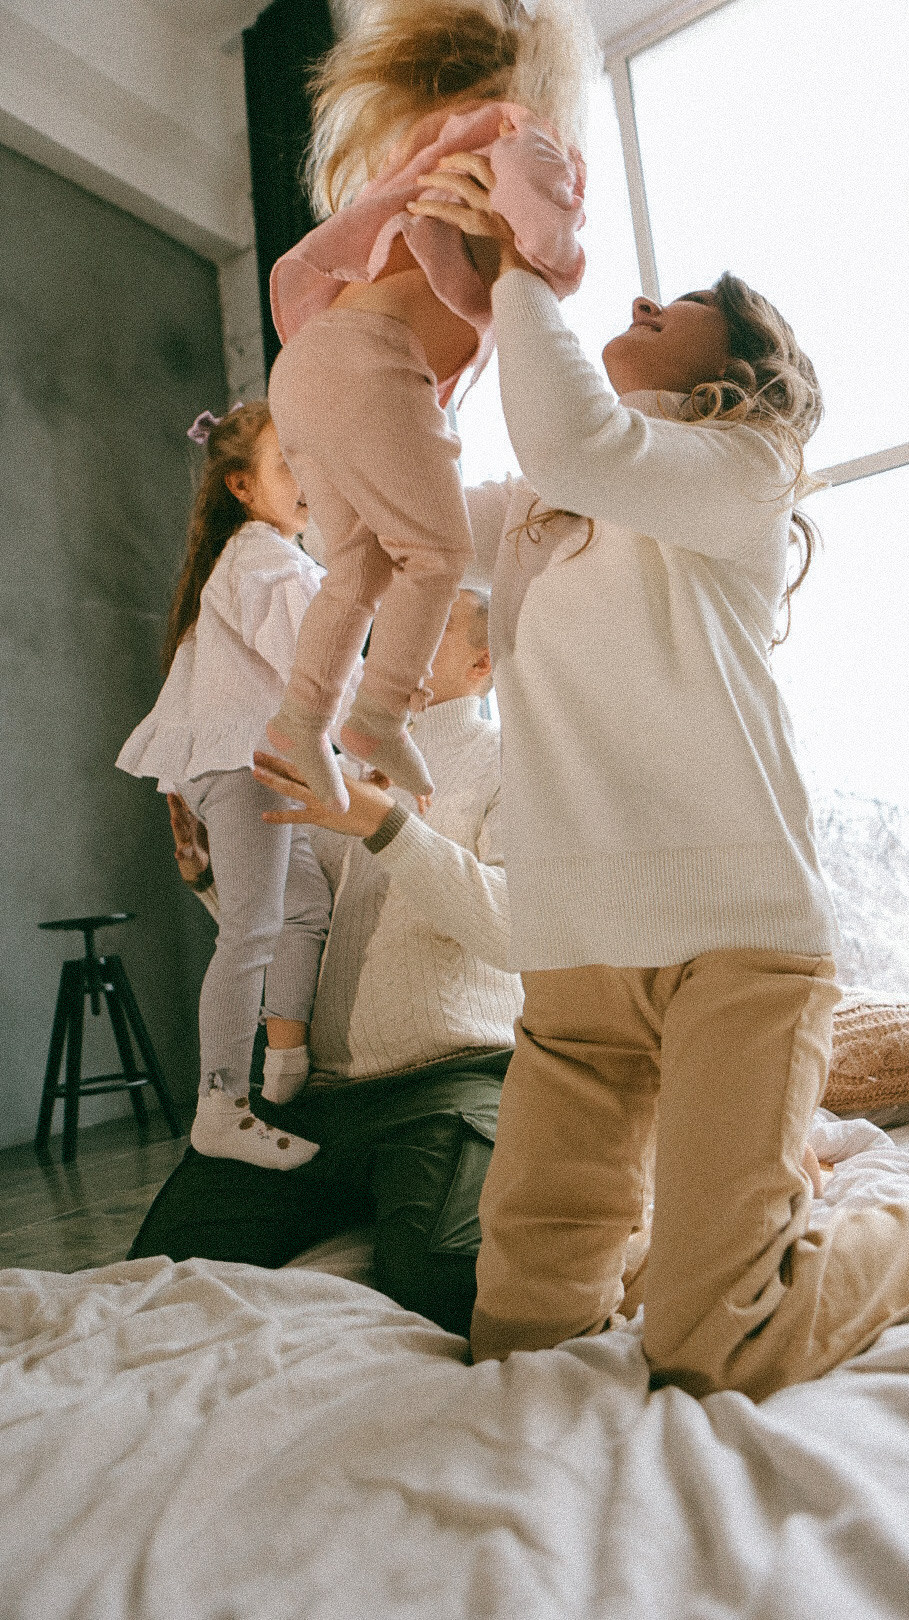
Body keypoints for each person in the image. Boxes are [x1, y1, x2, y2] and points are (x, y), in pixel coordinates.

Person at [407, 157, 909, 1399]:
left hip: (739, 942)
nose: (648, 299)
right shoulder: (544, 505)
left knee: (721, 1338)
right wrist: (441, 325)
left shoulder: (742, 465)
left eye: (689, 300)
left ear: (743, 363)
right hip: (578, 952)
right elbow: (412, 495)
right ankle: (721, 1211)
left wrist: (519, 282)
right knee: (521, 1338)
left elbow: (577, 431)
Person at [129, 590, 543, 1338]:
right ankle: (365, 1200)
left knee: (450, 1283)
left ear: (483, 662)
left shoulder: (513, 762)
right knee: (160, 1271)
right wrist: (210, 880)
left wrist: (384, 826)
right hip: (311, 1102)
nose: (398, 626)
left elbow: (520, 932)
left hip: (448, 1084)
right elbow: (296, 926)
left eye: (434, 620)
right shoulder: (333, 762)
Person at [264, 0, 599, 810]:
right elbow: (543, 244)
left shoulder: (435, 142)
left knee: (361, 566)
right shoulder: (522, 134)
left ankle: (302, 718)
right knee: (438, 554)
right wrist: (568, 225)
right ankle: (380, 714)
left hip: (309, 368)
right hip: (368, 365)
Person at [117, 403, 333, 1171]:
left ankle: (283, 1076)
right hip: (244, 764)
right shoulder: (266, 559)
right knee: (252, 926)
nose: (306, 478)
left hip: (246, 763)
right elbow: (316, 672)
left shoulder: (255, 558)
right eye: (286, 465)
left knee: (302, 907)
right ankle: (222, 1104)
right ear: (243, 485)